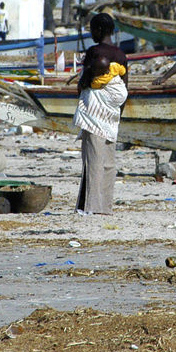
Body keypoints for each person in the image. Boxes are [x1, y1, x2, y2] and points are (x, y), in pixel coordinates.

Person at [72, 13, 129, 215]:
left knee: (93, 160)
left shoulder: (94, 51)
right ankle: (105, 207)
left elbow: (85, 81)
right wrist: (116, 115)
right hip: (112, 114)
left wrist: (81, 85)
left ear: (99, 30)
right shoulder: (121, 55)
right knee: (108, 162)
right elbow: (125, 87)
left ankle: (91, 207)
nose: (91, 33)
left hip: (94, 114)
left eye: (91, 29)